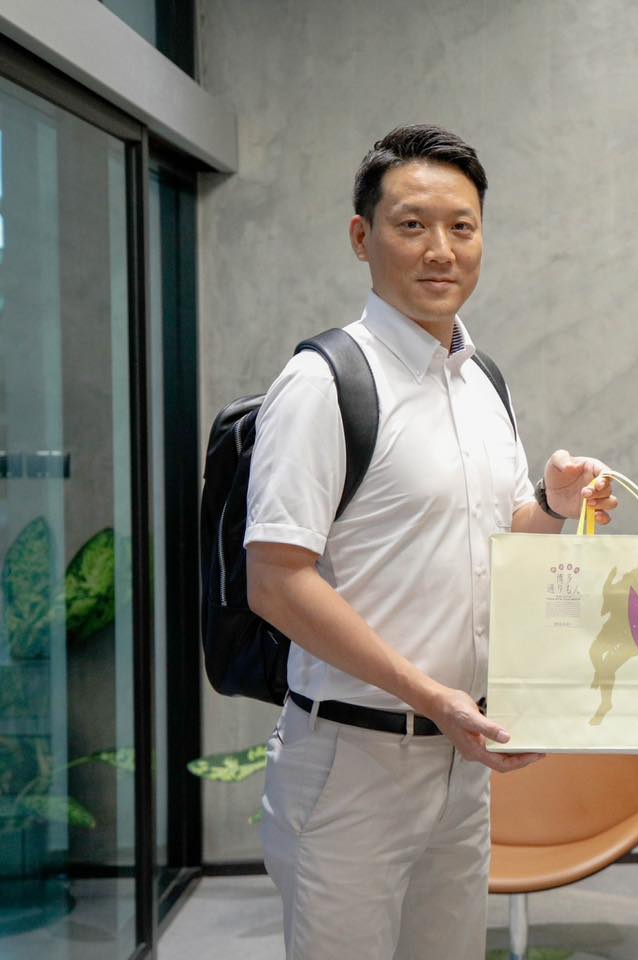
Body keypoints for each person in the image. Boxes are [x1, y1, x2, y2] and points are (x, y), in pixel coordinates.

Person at [244, 124, 618, 959]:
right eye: (411, 225)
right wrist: (432, 696)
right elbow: (275, 582)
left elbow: (504, 546)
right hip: (352, 761)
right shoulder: (322, 383)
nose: (441, 250)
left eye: (462, 226)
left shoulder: (482, 380)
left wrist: (553, 506)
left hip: (459, 764)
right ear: (362, 237)